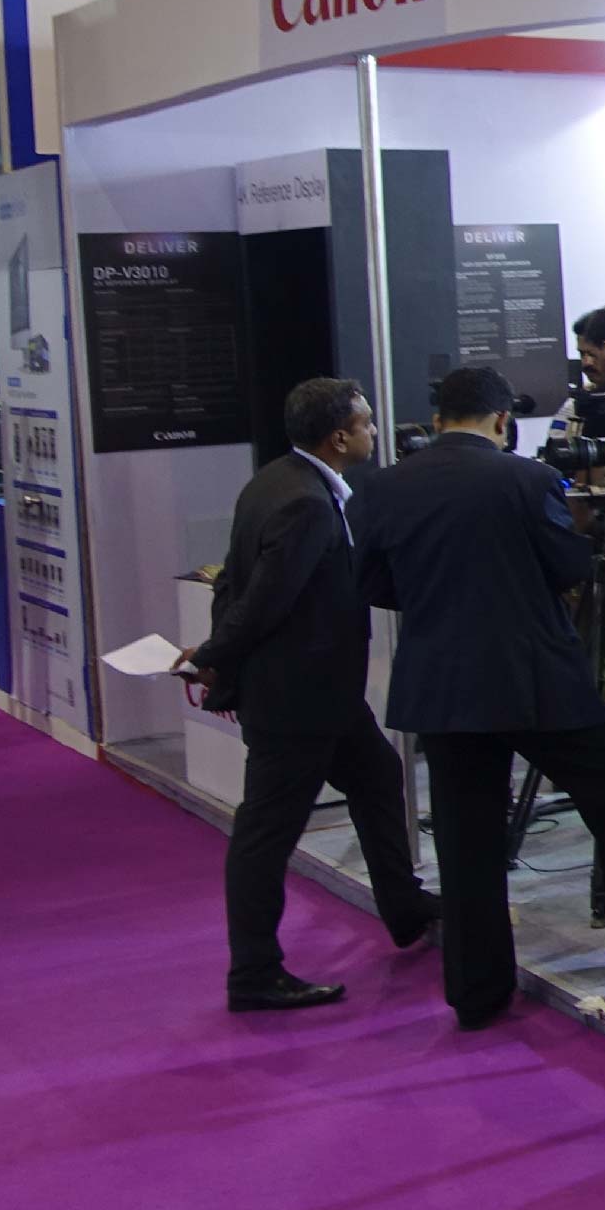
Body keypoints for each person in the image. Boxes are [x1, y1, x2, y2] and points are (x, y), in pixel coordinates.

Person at [352, 365, 605, 1029]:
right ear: (501, 420)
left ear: (438, 419)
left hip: (441, 682)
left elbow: (368, 580)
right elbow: (569, 566)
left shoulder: (383, 487)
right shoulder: (526, 479)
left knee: (466, 841)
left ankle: (476, 991)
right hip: (533, 678)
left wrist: (438, 601)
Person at [188, 377, 439, 1010]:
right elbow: (264, 600)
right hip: (298, 698)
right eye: (366, 423)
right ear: (339, 438)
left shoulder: (275, 480)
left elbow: (231, 583)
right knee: (266, 833)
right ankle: (253, 973)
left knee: (378, 777)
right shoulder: (304, 502)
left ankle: (404, 907)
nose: (375, 432)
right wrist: (213, 657)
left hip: (321, 695)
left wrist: (219, 651)